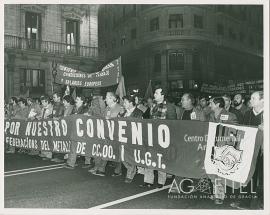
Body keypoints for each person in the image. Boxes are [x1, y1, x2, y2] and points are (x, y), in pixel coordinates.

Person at [231, 91, 264, 209]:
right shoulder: (248, 114)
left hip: (264, 152)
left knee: (264, 177)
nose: (251, 100)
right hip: (250, 150)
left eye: (254, 98)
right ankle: (245, 202)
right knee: (249, 175)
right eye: (251, 98)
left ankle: (263, 203)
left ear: (263, 100)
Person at [140, 86, 176, 188]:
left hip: (164, 138)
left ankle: (161, 181)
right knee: (150, 158)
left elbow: (174, 124)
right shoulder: (152, 106)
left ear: (162, 95)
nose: (154, 94)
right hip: (153, 137)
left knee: (161, 160)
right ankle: (148, 181)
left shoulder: (169, 107)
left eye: (156, 93)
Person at [209, 97, 238, 205]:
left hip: (224, 148)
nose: (209, 105)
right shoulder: (211, 115)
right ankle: (216, 192)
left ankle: (220, 196)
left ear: (217, 105)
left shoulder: (230, 115)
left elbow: (235, 132)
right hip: (212, 147)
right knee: (213, 171)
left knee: (221, 172)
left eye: (211, 103)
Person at [90, 92, 122, 176]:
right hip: (107, 134)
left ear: (113, 99)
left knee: (115, 152)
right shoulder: (107, 108)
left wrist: (110, 119)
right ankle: (101, 169)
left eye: (107, 98)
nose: (105, 99)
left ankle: (117, 170)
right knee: (106, 150)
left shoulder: (120, 108)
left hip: (116, 134)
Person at [119, 95, 143, 183]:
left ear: (131, 103)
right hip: (123, 137)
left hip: (133, 138)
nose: (123, 104)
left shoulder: (139, 113)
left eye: (125, 102)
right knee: (122, 157)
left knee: (130, 156)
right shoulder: (123, 112)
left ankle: (130, 173)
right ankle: (132, 168)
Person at [64, 95, 88, 169]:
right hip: (74, 130)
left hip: (82, 131)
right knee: (73, 146)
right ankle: (70, 162)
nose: (75, 100)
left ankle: (88, 162)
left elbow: (86, 118)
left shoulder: (85, 109)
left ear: (82, 101)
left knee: (85, 147)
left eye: (77, 99)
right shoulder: (74, 108)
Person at [50, 92, 65, 163]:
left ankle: (60, 157)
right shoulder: (54, 105)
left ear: (59, 98)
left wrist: (57, 118)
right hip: (54, 125)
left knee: (59, 141)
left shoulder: (62, 105)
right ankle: (55, 156)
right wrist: (49, 117)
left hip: (59, 126)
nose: (53, 99)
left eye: (54, 97)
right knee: (54, 141)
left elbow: (63, 115)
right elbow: (53, 114)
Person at [38, 95, 53, 160]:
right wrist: (39, 117)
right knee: (43, 139)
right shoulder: (43, 108)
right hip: (43, 125)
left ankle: (48, 155)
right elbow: (41, 115)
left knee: (48, 140)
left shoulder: (51, 108)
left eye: (43, 102)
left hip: (49, 126)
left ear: (47, 102)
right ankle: (43, 153)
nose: (42, 103)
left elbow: (52, 116)